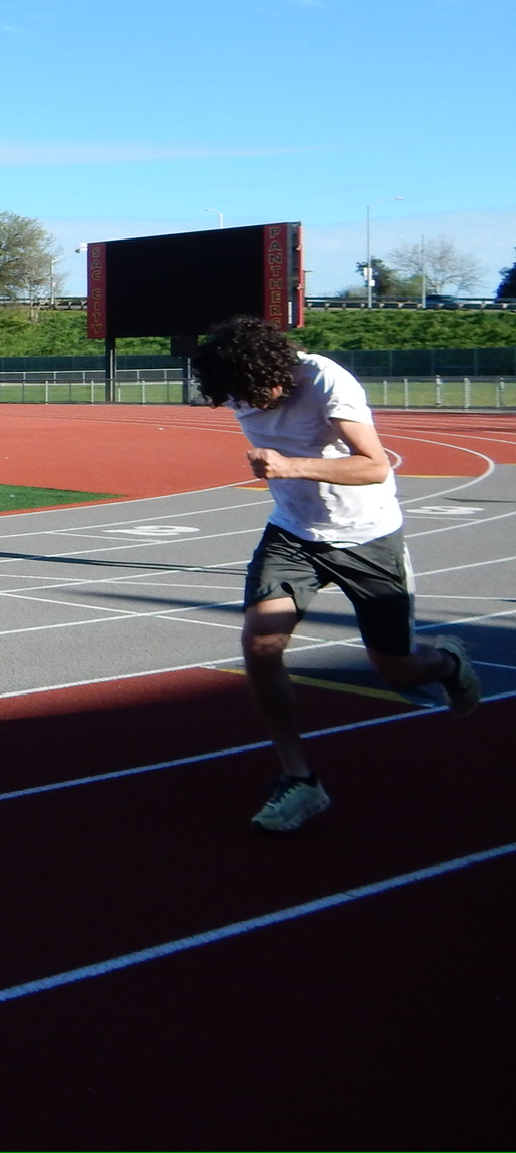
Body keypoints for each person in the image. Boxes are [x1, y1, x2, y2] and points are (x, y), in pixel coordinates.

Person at [193, 316, 481, 834]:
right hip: (293, 534)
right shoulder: (236, 385)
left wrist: (291, 466)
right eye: (237, 396)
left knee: (395, 670)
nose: (249, 404)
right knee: (260, 644)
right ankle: (299, 779)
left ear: (275, 370)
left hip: (367, 536)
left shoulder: (325, 379)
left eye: (257, 392)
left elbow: (375, 466)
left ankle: (446, 663)